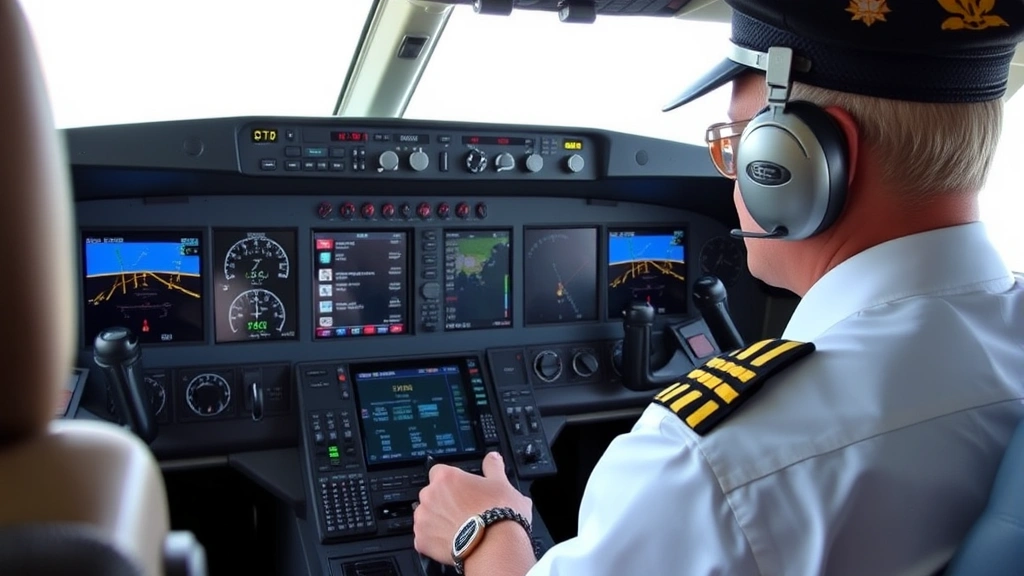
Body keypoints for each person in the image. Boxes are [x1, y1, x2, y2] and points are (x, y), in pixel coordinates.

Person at [412, 0, 1024, 573]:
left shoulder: (717, 465)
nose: (732, 177)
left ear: (795, 166)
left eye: (738, 145)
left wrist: (484, 530)